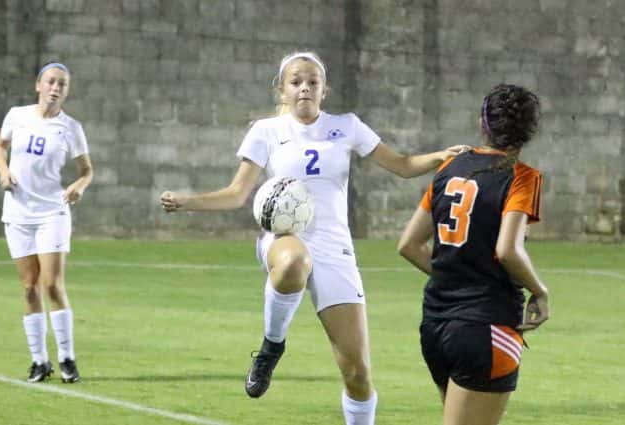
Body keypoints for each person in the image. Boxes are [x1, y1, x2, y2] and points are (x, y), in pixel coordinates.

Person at [160, 51, 467, 424]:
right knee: (293, 262)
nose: (304, 87)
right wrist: (188, 202)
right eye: (296, 82)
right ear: (282, 90)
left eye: (312, 82)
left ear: (324, 90)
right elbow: (238, 194)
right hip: (284, 237)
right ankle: (272, 347)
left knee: (357, 374)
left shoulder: (347, 126)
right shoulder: (266, 131)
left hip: (335, 247)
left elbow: (400, 165)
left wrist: (441, 157)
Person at [397, 83, 550, 425]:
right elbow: (508, 249)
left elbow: (408, 244)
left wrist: (455, 277)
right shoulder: (522, 178)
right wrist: (540, 292)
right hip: (487, 328)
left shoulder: (449, 168)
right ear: (529, 131)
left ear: (484, 124)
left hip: (435, 325)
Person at [0, 61, 93, 384]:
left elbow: (87, 170)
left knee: (51, 285)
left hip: (52, 212)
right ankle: (39, 361)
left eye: (62, 84)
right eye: (50, 81)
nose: (55, 88)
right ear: (38, 85)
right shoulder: (17, 115)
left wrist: (78, 186)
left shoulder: (70, 128)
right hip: (18, 212)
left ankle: (67, 358)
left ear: (66, 90)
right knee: (28, 286)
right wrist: (3, 171)